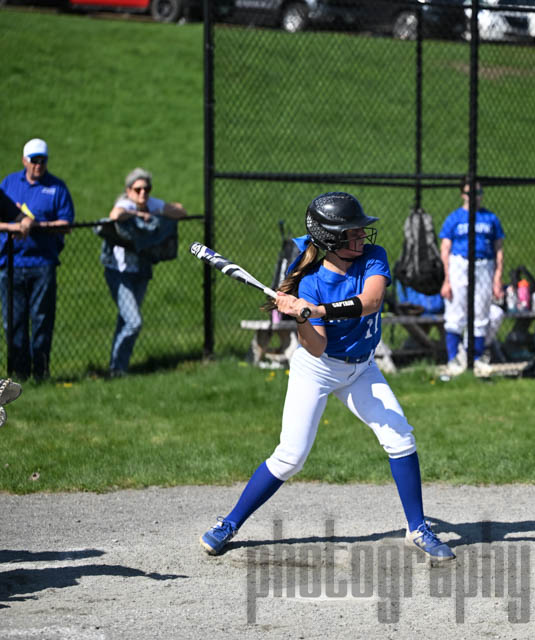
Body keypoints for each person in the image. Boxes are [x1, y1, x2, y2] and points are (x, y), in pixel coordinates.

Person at [199, 192, 455, 563]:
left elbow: (372, 301)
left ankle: (417, 528)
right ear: (331, 239)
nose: (361, 235)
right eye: (352, 231)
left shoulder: (373, 257)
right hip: (318, 370)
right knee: (291, 457)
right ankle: (230, 523)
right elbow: (316, 347)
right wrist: (300, 316)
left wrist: (318, 310)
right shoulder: (310, 283)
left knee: (400, 437)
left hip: (362, 367)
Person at [101, 168, 188, 377]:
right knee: (134, 322)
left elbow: (181, 212)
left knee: (126, 321)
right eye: (138, 189)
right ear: (128, 190)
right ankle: (117, 367)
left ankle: (118, 369)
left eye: (147, 189)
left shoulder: (152, 204)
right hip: (119, 271)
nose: (143, 193)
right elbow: (115, 215)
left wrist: (158, 212)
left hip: (140, 270)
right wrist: (137, 214)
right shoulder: (126, 204)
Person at [0, 139, 75, 381]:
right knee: (14, 321)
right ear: (24, 160)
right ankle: (19, 373)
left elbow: (66, 223)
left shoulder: (56, 188)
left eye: (43, 160)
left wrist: (37, 226)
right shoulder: (9, 184)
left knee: (42, 320)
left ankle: (41, 372)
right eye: (34, 160)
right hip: (11, 263)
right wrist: (14, 225)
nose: (38, 165)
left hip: (43, 262)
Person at [438, 178, 504, 375]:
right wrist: (446, 279)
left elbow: (499, 249)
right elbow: (445, 249)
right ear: (463, 195)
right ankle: (453, 359)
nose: (475, 197)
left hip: (484, 265)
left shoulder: (490, 218)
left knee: (481, 313)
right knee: (455, 313)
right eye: (470, 193)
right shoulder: (454, 218)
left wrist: (497, 278)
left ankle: (475, 359)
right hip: (459, 264)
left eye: (478, 192)